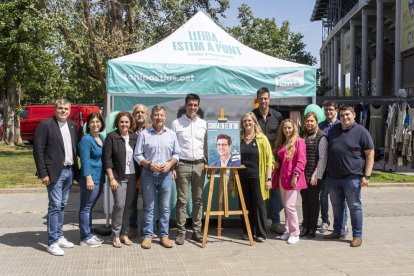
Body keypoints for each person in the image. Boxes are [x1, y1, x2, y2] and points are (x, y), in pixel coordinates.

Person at [33, 99, 79, 256]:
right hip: (54, 173)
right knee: (54, 205)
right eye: (60, 108)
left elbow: (75, 149)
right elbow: (38, 151)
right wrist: (43, 173)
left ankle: (59, 236)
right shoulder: (45, 125)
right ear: (55, 109)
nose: (63, 111)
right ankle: (52, 242)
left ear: (69, 110)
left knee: (62, 205)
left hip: (69, 171)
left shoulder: (73, 126)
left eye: (66, 108)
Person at [324, 105, 374, 247]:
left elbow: (370, 153)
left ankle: (357, 236)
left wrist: (367, 176)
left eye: (347, 115)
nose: (345, 118)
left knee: (355, 206)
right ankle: (338, 231)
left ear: (354, 115)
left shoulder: (361, 132)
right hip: (333, 177)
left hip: (352, 177)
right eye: (342, 115)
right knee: (336, 206)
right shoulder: (333, 130)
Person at [134, 105, 181, 249]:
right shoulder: (144, 134)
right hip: (148, 174)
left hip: (166, 175)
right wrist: (148, 165)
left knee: (165, 207)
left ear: (165, 117)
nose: (158, 117)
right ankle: (147, 236)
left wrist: (171, 164)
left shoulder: (171, 134)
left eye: (161, 115)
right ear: (151, 117)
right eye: (156, 115)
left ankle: (163, 235)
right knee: (149, 207)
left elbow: (177, 153)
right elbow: (137, 154)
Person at [171, 94, 207, 245]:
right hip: (182, 165)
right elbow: (172, 147)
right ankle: (181, 232)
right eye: (190, 104)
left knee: (198, 200)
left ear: (198, 106)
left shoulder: (204, 124)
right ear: (185, 105)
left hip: (200, 165)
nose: (192, 107)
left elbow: (206, 146)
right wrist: (173, 167)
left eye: (195, 105)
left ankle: (196, 231)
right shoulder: (176, 123)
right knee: (182, 200)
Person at [103, 112, 139, 248]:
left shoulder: (135, 137)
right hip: (118, 177)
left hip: (133, 176)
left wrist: (140, 178)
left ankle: (125, 233)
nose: (124, 124)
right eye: (121, 122)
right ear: (117, 123)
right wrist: (111, 178)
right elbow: (107, 160)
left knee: (129, 206)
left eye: (126, 122)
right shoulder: (111, 137)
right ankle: (115, 235)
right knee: (119, 205)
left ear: (131, 123)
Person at [237, 112, 274, 242]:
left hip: (258, 177)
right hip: (241, 177)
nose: (247, 123)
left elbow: (270, 160)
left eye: (249, 121)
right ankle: (247, 231)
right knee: (244, 205)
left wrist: (269, 179)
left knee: (259, 205)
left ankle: (261, 233)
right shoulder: (239, 138)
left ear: (254, 122)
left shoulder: (261, 138)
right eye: (244, 121)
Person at [252, 87, 284, 234]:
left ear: (269, 99)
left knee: (275, 192)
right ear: (257, 100)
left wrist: (279, 158)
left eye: (266, 98)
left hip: (274, 161)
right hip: (257, 161)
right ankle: (261, 221)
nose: (263, 101)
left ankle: (276, 221)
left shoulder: (277, 116)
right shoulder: (252, 116)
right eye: (261, 98)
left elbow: (283, 137)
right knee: (259, 192)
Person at [272, 119, 306, 244]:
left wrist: (296, 175)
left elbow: (302, 161)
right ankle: (287, 230)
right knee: (285, 206)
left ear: (294, 129)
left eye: (289, 128)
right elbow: (281, 161)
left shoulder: (299, 142)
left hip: (293, 179)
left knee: (290, 206)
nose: (287, 130)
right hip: (282, 177)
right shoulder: (283, 142)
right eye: (285, 128)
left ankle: (295, 233)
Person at [319, 101, 348, 234]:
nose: (328, 112)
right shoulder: (320, 126)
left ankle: (343, 223)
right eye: (326, 110)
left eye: (331, 109)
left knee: (341, 198)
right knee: (323, 196)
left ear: (336, 110)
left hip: (339, 168)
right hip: (325, 169)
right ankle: (325, 220)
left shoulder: (341, 124)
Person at [78, 112, 106, 247]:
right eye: (92, 122)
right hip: (90, 178)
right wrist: (88, 178)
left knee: (90, 207)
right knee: (86, 207)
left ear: (101, 124)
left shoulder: (101, 137)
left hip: (99, 177)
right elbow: (84, 160)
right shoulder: (86, 139)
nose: (95, 124)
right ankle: (85, 237)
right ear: (88, 125)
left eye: (97, 121)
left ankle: (89, 233)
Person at [300, 112, 327, 239]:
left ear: (316, 122)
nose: (309, 123)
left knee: (313, 201)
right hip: (303, 174)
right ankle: (305, 225)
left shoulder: (322, 137)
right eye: (307, 121)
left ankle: (312, 228)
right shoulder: (303, 136)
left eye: (312, 121)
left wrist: (315, 175)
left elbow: (322, 159)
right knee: (305, 201)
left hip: (314, 176)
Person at [128, 104, 148, 239]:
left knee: (149, 201)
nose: (140, 114)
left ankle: (148, 228)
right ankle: (132, 227)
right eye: (137, 112)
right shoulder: (128, 131)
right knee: (131, 202)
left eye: (142, 112)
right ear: (133, 115)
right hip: (132, 171)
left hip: (149, 171)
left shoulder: (152, 130)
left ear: (147, 115)